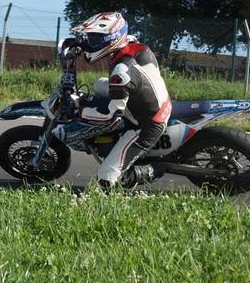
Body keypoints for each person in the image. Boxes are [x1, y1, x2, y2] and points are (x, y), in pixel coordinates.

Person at [53, 12, 171, 188]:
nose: (88, 44)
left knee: (106, 177)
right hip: (147, 97)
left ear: (111, 40)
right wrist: (79, 44)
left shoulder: (121, 73)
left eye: (93, 40)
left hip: (147, 123)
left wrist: (78, 109)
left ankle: (152, 170)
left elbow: (112, 115)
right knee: (99, 84)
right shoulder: (129, 44)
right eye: (88, 38)